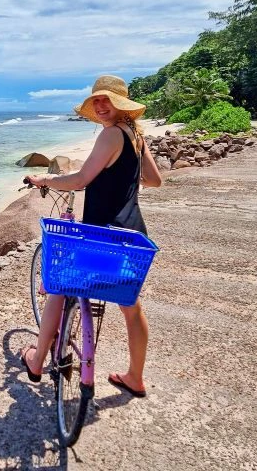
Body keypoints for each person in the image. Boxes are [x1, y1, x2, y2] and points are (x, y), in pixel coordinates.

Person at [21, 75, 162, 397]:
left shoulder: (111, 135)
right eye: (95, 100)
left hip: (102, 235)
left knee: (59, 286)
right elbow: (154, 180)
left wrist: (46, 178)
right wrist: (121, 177)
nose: (100, 106)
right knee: (131, 307)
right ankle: (135, 377)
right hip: (132, 235)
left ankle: (37, 359)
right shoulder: (135, 136)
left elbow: (81, 179)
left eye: (106, 100)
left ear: (120, 105)